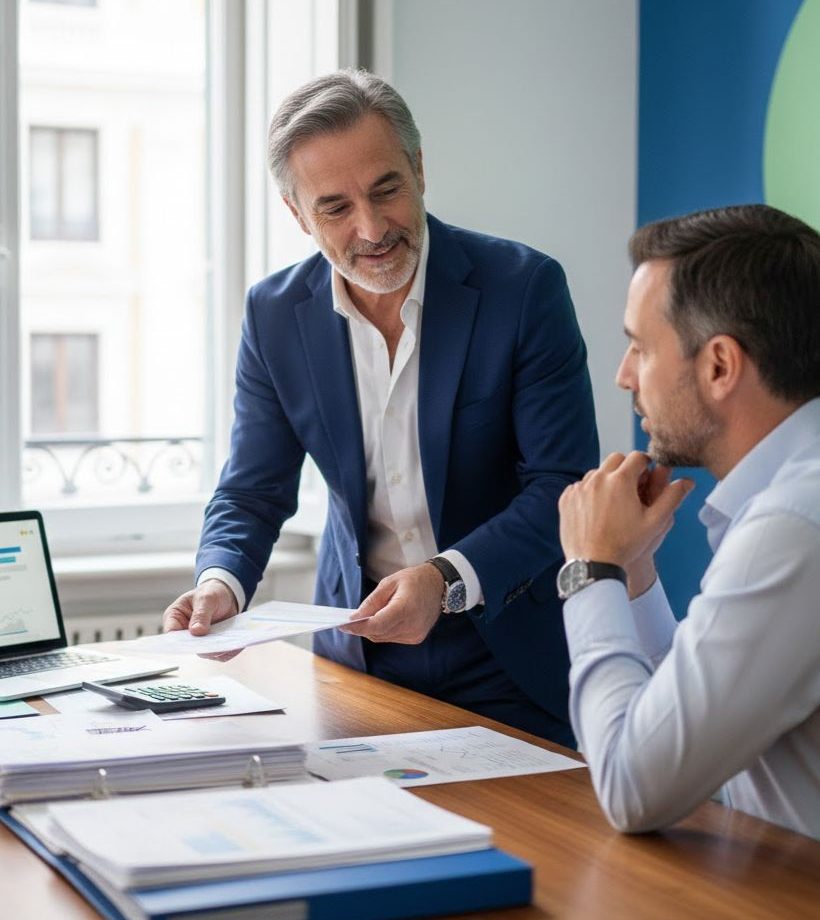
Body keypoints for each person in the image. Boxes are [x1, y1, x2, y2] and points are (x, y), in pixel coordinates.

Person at [162, 70, 598, 745]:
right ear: (296, 212)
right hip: (359, 653)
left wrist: (446, 580)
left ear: (419, 169)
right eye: (335, 207)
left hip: (508, 652)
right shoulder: (275, 315)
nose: (371, 228)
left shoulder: (523, 290)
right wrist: (222, 582)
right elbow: (253, 490)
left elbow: (561, 486)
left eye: (386, 190)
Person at [556, 204, 820, 838]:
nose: (624, 376)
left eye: (640, 348)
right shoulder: (789, 495)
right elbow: (689, 717)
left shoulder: (793, 526)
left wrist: (590, 571)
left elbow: (631, 785)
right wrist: (635, 574)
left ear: (720, 366)